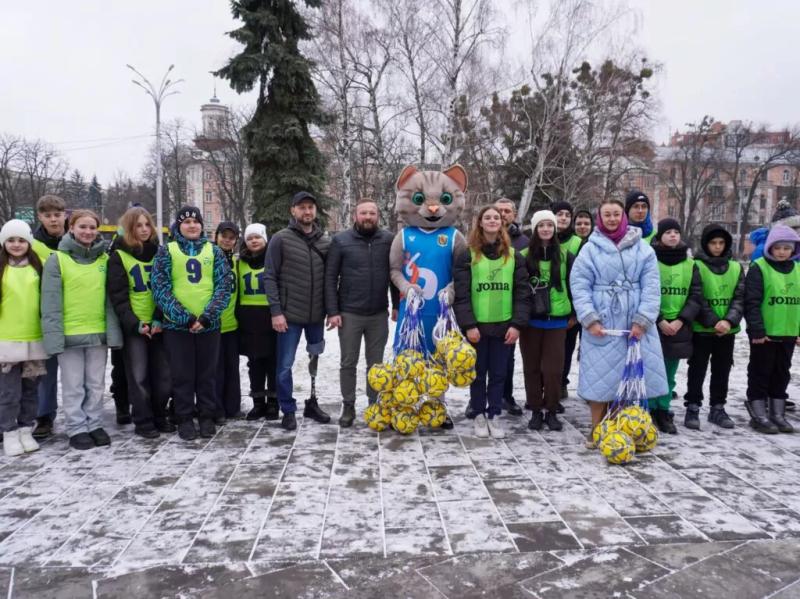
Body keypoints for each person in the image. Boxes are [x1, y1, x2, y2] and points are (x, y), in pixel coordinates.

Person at [569, 198, 668, 446]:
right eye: (607, 215)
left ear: (623, 216)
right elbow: (579, 285)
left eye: (616, 214)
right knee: (599, 379)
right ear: (600, 219)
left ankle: (628, 427)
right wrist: (589, 318)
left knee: (631, 378)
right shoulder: (590, 249)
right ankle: (596, 428)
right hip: (603, 322)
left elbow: (652, 287)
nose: (612, 219)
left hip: (634, 321)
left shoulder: (644, 249)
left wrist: (643, 320)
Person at [389, 165, 470, 431]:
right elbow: (394, 269)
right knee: (408, 358)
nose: (434, 208)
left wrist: (452, 289)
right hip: (411, 313)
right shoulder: (404, 235)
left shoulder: (454, 236)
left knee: (438, 361)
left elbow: (462, 272)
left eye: (444, 201)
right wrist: (405, 286)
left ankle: (438, 408)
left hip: (441, 313)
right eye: (422, 200)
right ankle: (407, 406)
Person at [41, 209, 123, 450]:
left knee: (95, 383)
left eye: (91, 227)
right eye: (82, 227)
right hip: (69, 335)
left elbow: (110, 300)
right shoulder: (58, 260)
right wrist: (54, 336)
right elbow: (51, 301)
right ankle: (76, 426)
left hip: (97, 333)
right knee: (73, 384)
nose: (87, 232)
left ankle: (94, 423)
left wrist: (112, 332)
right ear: (71, 229)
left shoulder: (104, 260)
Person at [151, 206, 232, 441]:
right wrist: (183, 318)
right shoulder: (167, 251)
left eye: (196, 221)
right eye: (186, 222)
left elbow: (224, 286)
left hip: (209, 325)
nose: (192, 225)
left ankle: (206, 415)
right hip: (178, 327)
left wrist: (207, 316)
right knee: (182, 374)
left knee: (207, 374)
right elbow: (160, 287)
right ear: (179, 226)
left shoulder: (214, 252)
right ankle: (184, 417)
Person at [454, 205, 528, 439]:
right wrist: (469, 325)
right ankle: (478, 413)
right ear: (480, 223)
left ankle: (494, 413)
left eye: (497, 217)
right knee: (477, 373)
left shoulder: (513, 254)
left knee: (498, 373)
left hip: (504, 325)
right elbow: (462, 293)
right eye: (488, 217)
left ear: (502, 223)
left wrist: (517, 324)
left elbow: (522, 292)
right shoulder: (467, 253)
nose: (493, 220)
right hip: (477, 326)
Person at [325, 198, 398, 427]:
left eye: (372, 213)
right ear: (355, 216)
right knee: (348, 362)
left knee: (376, 365)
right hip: (349, 314)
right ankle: (348, 405)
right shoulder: (341, 241)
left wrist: (396, 305)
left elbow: (395, 274)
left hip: (378, 313)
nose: (368, 217)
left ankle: (375, 404)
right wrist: (333, 311)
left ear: (378, 216)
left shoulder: (389, 240)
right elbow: (330, 278)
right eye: (363, 213)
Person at [264, 191, 331, 431]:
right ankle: (288, 409)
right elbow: (269, 276)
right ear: (293, 210)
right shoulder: (280, 239)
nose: (307, 211)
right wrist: (276, 312)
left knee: (315, 359)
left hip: (316, 316)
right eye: (301, 207)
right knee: (284, 365)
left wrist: (331, 310)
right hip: (289, 316)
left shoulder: (325, 241)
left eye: (311, 207)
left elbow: (332, 279)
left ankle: (312, 402)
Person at [107, 207, 174, 438]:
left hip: (158, 324)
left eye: (147, 225)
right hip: (135, 327)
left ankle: (159, 415)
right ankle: (143, 420)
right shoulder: (119, 255)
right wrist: (135, 323)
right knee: (138, 377)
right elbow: (118, 296)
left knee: (163, 377)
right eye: (138, 225)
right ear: (129, 228)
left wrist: (158, 317)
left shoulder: (160, 253)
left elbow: (166, 288)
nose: (144, 229)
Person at [683, 224, 743, 430]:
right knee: (697, 369)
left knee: (722, 369)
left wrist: (728, 321)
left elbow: (740, 297)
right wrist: (713, 321)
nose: (717, 247)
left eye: (721, 243)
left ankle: (718, 407)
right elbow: (696, 297)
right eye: (713, 243)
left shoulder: (735, 267)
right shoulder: (696, 266)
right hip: (703, 329)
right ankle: (692, 406)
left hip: (727, 330)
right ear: (705, 244)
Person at [519, 210, 574, 431]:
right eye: (541, 225)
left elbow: (574, 285)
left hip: (557, 321)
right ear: (535, 229)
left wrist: (574, 314)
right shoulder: (522, 255)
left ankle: (551, 409)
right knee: (531, 367)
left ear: (554, 229)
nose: (545, 229)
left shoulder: (565, 256)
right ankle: (534, 409)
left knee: (552, 370)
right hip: (532, 321)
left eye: (549, 226)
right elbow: (519, 289)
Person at [744, 224, 800, 434]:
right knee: (760, 371)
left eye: (786, 248)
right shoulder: (760, 267)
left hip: (788, 332)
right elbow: (752, 302)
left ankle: (778, 412)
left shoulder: (798, 269)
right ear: (770, 248)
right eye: (778, 248)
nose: (782, 252)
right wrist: (757, 330)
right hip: (765, 334)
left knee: (782, 372)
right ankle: (758, 412)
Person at [649, 218, 703, 434]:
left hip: (679, 326)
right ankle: (648, 407)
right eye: (668, 232)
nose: (672, 235)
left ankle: (663, 410)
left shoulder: (691, 264)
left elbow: (696, 295)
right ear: (660, 236)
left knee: (669, 372)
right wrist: (659, 319)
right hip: (653, 323)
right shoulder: (650, 259)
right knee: (651, 369)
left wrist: (681, 320)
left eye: (676, 232)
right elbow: (645, 292)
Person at [0, 220, 46, 456]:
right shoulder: (2, 268)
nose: (16, 245)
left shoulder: (38, 267)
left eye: (21, 240)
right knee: (9, 392)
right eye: (11, 240)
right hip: (6, 340)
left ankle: (26, 428)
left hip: (34, 338)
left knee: (30, 390)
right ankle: (8, 432)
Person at [31, 194, 66, 439]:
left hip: (77, 313)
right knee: (46, 371)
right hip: (46, 315)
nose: (53, 220)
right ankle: (44, 415)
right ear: (40, 217)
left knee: (79, 373)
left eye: (57, 214)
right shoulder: (32, 246)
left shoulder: (76, 239)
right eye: (48, 215)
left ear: (65, 215)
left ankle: (84, 414)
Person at [237, 224, 278, 421]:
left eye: (258, 237)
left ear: (265, 239)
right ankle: (257, 402)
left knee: (273, 362)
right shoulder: (240, 262)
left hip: (270, 317)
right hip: (249, 318)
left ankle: (273, 402)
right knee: (255, 363)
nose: (254, 241)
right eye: (250, 237)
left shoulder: (273, 259)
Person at [493, 197, 529, 416]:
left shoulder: (523, 242)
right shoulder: (481, 240)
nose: (503, 214)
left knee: (507, 358)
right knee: (481, 358)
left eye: (507, 211)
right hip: (485, 306)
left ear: (514, 215)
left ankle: (506, 396)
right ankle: (477, 399)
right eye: (499, 211)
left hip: (510, 307)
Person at [214, 221, 242, 422]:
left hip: (231, 324)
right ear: (216, 236)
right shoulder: (208, 258)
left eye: (231, 237)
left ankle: (232, 407)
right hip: (212, 324)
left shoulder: (236, 262)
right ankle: (217, 409)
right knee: (216, 370)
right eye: (224, 236)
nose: (227, 240)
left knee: (232, 367)